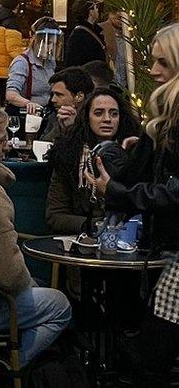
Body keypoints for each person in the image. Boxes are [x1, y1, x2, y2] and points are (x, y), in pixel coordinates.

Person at [85, 23, 179, 387]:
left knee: (151, 357)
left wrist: (119, 192)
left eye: (162, 63)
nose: (153, 71)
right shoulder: (166, 121)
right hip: (167, 250)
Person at [0, 105, 72, 365]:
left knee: (37, 286)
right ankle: (11, 369)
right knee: (59, 304)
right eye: (1, 140)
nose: (6, 146)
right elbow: (6, 274)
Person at [46, 87, 140, 235]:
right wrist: (97, 224)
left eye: (114, 113)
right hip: (84, 239)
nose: (107, 119)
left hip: (128, 238)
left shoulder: (135, 153)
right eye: (98, 113)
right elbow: (55, 216)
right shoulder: (68, 155)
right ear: (87, 118)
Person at [5, 17, 60, 116]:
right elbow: (10, 94)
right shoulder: (22, 62)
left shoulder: (51, 62)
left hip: (45, 114)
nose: (50, 48)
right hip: (26, 115)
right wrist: (29, 104)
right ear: (35, 40)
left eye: (54, 44)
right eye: (47, 43)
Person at [40, 67, 94, 141]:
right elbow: (43, 144)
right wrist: (60, 128)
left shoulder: (94, 119)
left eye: (59, 95)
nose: (53, 100)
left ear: (79, 96)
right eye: (52, 94)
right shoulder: (55, 115)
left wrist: (73, 127)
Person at [64, 0, 106, 68]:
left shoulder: (90, 31)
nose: (98, 10)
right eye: (96, 8)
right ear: (91, 12)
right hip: (89, 75)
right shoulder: (79, 34)